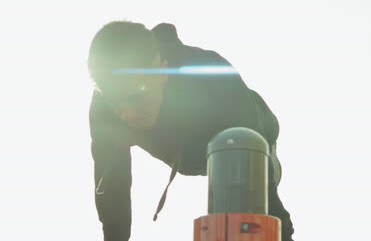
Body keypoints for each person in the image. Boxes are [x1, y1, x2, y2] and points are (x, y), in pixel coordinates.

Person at [87, 21, 295, 241]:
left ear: (162, 71)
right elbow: (112, 186)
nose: (127, 114)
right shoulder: (103, 109)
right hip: (191, 153)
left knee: (239, 208)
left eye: (137, 98)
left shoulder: (211, 77)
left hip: (250, 139)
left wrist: (283, 233)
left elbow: (262, 192)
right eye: (116, 104)